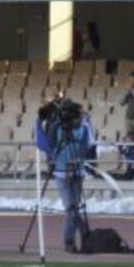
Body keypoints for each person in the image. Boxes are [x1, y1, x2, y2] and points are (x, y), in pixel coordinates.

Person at [49, 99, 93, 253]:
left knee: (73, 207)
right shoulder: (56, 127)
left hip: (77, 171)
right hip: (61, 173)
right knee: (70, 208)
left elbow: (85, 147)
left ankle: (83, 233)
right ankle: (73, 239)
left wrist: (76, 160)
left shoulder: (83, 128)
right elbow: (50, 144)